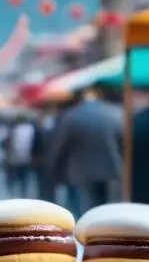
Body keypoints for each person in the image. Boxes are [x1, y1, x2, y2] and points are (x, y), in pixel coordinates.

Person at [47, 87, 123, 216]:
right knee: (105, 207)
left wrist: (53, 171)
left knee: (82, 210)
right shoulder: (114, 114)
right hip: (111, 169)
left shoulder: (72, 116)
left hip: (80, 172)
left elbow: (59, 147)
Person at [5, 114, 37, 197]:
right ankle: (24, 193)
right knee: (24, 178)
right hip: (27, 158)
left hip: (15, 159)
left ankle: (16, 194)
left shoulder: (14, 130)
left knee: (17, 178)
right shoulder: (31, 129)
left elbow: (11, 144)